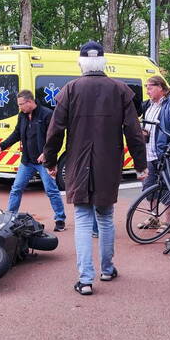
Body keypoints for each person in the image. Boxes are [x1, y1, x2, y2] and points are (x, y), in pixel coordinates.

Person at [42, 41, 148, 296]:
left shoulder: (70, 90)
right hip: (108, 164)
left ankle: (85, 279)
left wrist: (51, 161)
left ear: (81, 63)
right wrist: (141, 165)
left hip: (78, 163)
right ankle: (107, 268)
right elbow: (134, 133)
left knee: (82, 219)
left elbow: (55, 131)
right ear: (103, 62)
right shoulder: (120, 90)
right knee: (106, 217)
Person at [0, 90, 67, 231]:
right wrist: (2, 146)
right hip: (27, 161)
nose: (20, 107)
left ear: (30, 102)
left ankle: (60, 219)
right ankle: (10, 218)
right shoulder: (22, 116)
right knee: (16, 188)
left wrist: (46, 153)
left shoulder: (47, 114)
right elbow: (17, 133)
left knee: (51, 190)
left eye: (21, 104)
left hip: (43, 162)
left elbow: (55, 138)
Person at [135, 75, 170, 230]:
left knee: (166, 189)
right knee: (149, 188)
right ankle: (154, 218)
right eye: (146, 87)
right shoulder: (149, 105)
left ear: (160, 87)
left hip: (165, 155)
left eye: (150, 87)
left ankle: (167, 222)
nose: (147, 90)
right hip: (150, 153)